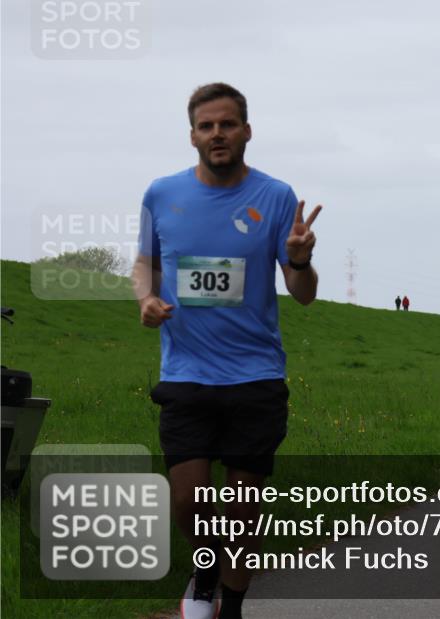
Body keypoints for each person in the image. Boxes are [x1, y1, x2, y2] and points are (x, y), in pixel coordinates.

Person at [132, 83, 321, 619]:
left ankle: (231, 605)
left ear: (247, 131)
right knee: (190, 503)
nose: (218, 134)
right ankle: (206, 569)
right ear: (192, 134)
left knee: (242, 513)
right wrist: (146, 298)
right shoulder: (161, 194)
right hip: (186, 371)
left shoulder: (277, 197)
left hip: (255, 375)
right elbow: (145, 261)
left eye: (228, 124)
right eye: (207, 126)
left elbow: (303, 296)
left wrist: (301, 262)